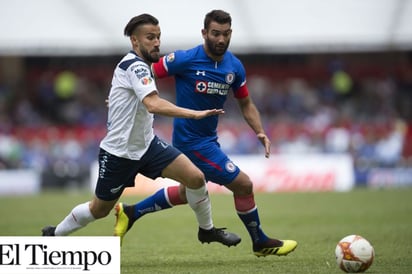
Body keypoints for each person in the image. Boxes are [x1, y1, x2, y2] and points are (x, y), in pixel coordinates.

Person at [41, 13, 241, 248]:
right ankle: (54, 235)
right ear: (135, 41)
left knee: (196, 178)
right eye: (149, 37)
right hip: (119, 154)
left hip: (147, 145)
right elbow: (153, 103)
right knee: (99, 209)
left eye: (158, 37)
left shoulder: (142, 66)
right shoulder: (135, 66)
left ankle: (207, 231)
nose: (156, 42)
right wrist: (194, 113)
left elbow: (129, 96)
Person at [114, 10, 297, 257]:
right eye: (215, 34)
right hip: (191, 142)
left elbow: (245, 102)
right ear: (204, 33)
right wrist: (122, 95)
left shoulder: (235, 66)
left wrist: (260, 131)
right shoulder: (186, 59)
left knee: (185, 191)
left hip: (209, 139)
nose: (221, 39)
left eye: (226, 34)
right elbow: (144, 71)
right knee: (243, 185)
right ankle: (260, 242)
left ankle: (131, 212)